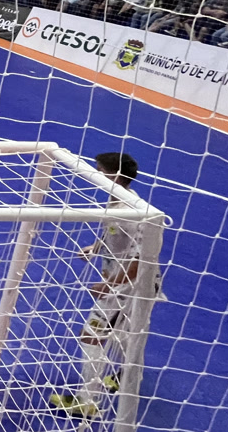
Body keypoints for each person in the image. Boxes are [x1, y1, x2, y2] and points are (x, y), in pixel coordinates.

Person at [50, 152, 160, 419]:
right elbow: (114, 233)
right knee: (126, 336)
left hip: (128, 288)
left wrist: (110, 284)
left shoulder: (133, 212)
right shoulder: (119, 201)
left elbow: (141, 258)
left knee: (92, 337)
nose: (94, 174)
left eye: (99, 170)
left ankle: (88, 402)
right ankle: (124, 377)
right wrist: (95, 247)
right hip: (128, 284)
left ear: (115, 176)